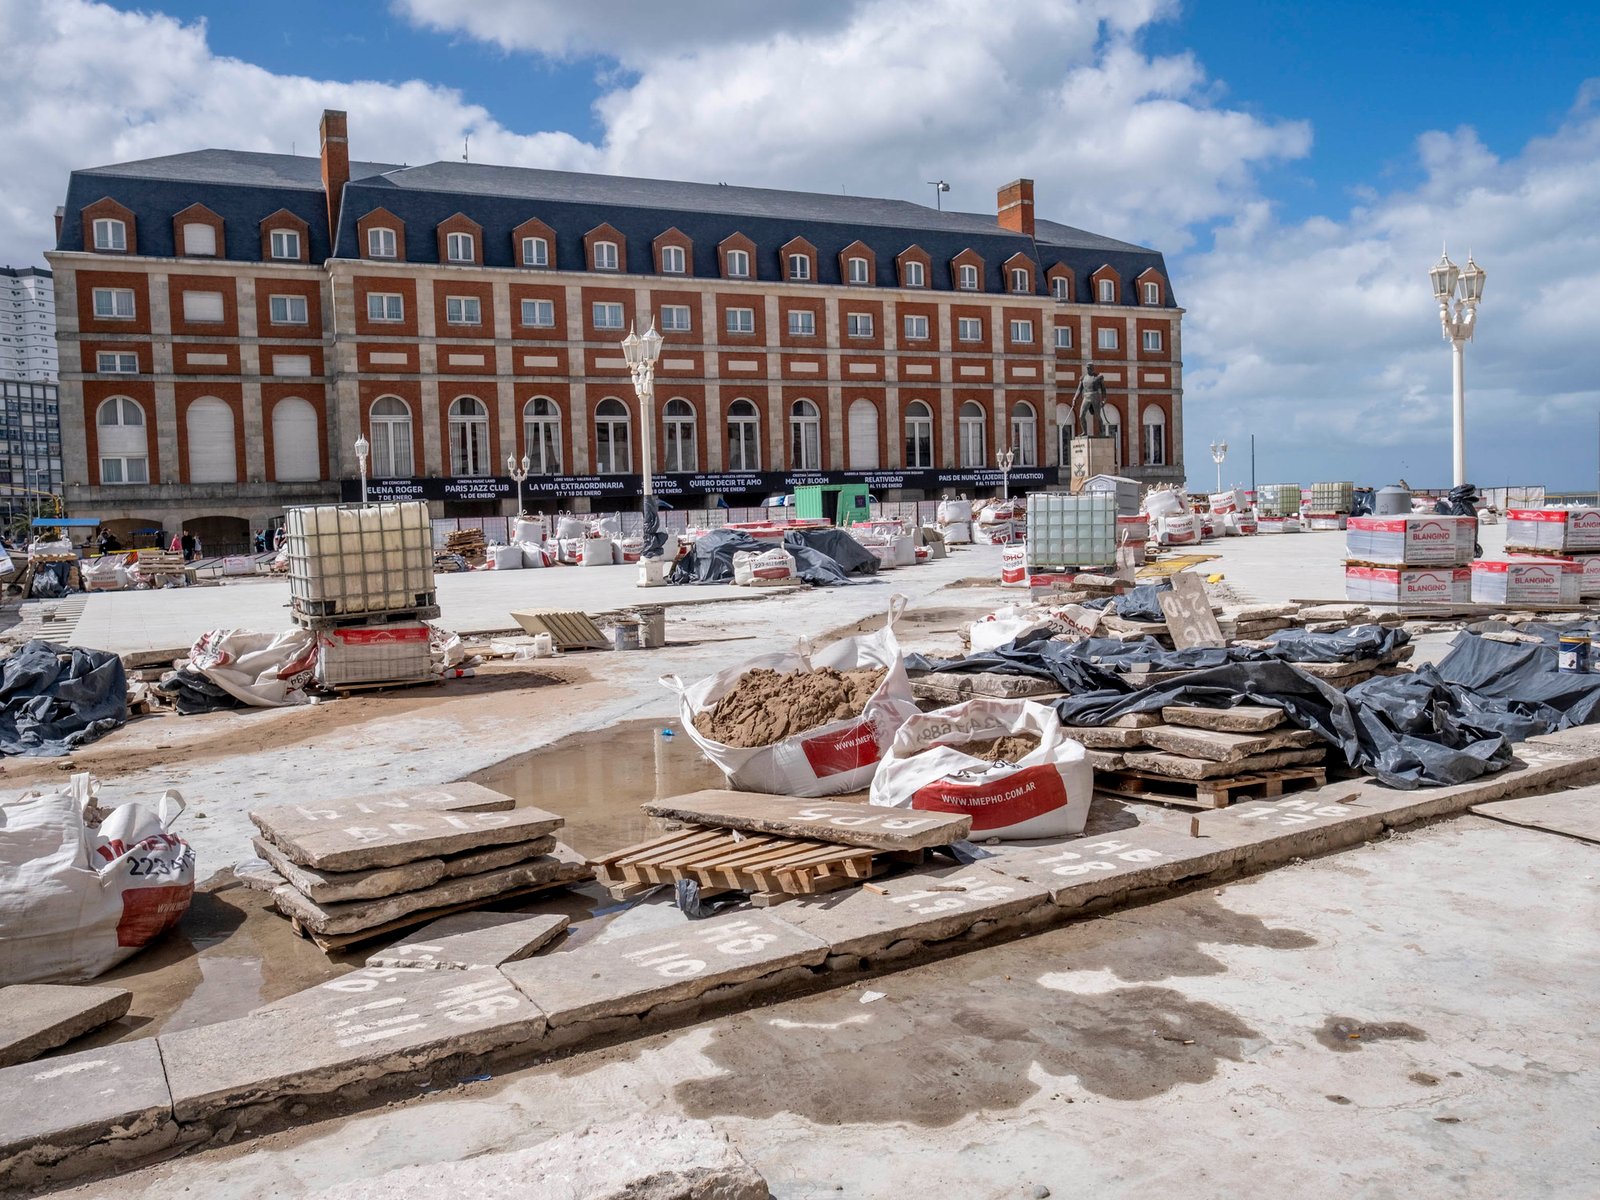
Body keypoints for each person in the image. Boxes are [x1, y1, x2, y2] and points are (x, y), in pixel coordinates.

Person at [1070, 363, 1110, 438]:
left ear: (1093, 368)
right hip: (1086, 397)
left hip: (1095, 397)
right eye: (1088, 368)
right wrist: (1074, 399)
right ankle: (1084, 432)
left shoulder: (1098, 377)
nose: (1089, 369)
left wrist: (1104, 400)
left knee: (1098, 416)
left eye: (1090, 368)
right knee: (1081, 416)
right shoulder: (1083, 378)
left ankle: (1102, 432)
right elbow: (1079, 390)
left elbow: (1103, 389)